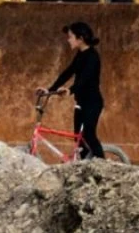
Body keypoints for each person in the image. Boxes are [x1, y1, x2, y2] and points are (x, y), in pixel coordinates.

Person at [39, 22, 105, 160]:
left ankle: (103, 166)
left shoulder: (93, 57)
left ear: (80, 38)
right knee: (78, 139)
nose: (68, 40)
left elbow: (85, 79)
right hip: (80, 102)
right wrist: (50, 89)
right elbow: (67, 73)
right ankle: (88, 166)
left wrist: (70, 90)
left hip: (92, 103)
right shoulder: (80, 55)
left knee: (89, 134)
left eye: (70, 37)